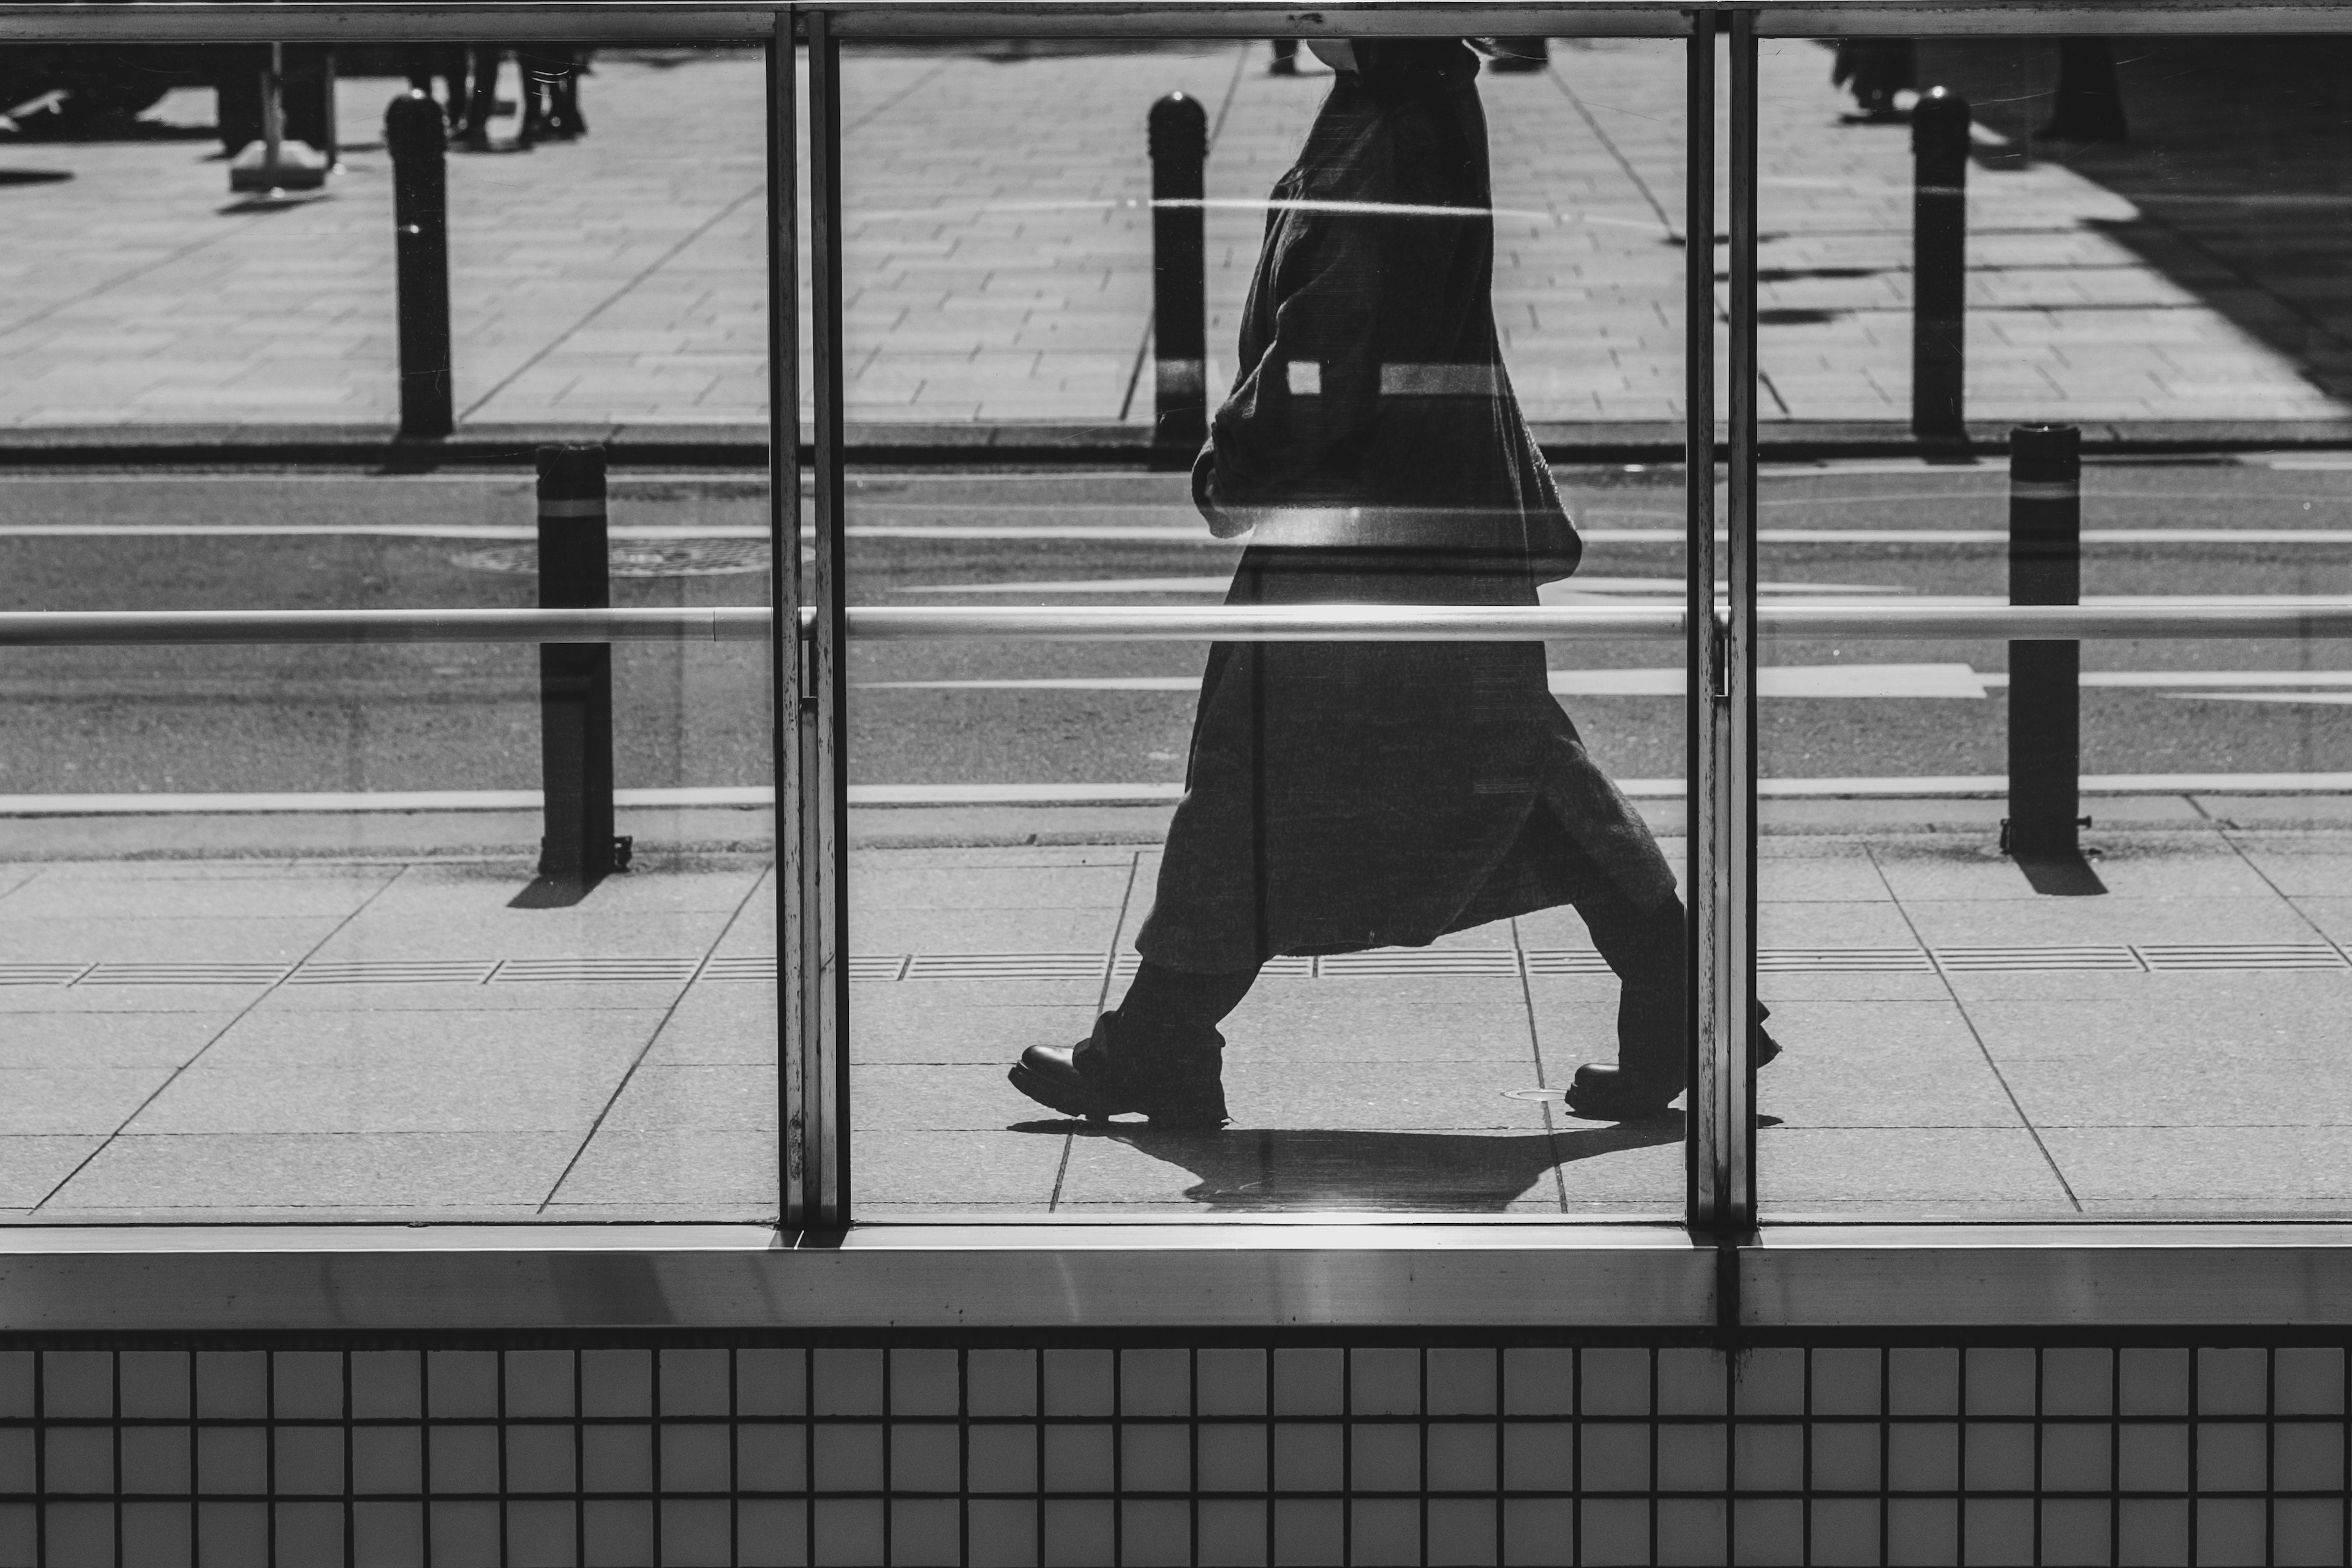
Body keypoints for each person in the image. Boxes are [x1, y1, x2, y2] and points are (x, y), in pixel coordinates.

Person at [1009, 37, 1776, 1128]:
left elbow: (1334, 331)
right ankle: (1685, 995)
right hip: (1415, 499)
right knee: (1501, 760)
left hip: (1367, 513)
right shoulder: (1410, 96)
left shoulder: (1394, 123)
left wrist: (1244, 454)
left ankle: (1161, 1040)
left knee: (1262, 770)